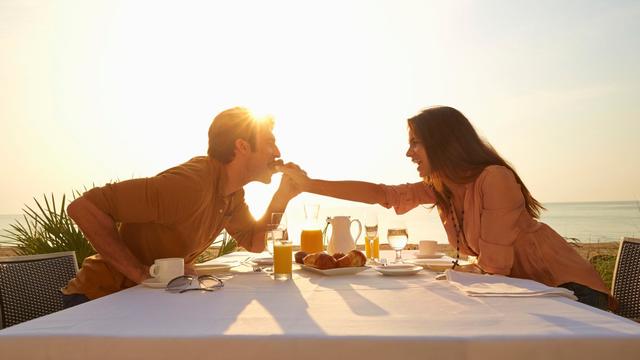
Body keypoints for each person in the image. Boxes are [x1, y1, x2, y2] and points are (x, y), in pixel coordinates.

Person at [279, 106, 610, 310]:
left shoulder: (494, 179)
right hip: (528, 293)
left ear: (442, 143)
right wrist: (309, 185)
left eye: (415, 142)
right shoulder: (443, 188)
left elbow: (493, 269)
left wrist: (450, 275)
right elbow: (383, 194)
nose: (408, 153)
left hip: (571, 294)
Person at [62, 107, 300, 307]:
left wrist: (282, 197)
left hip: (146, 300)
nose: (278, 152)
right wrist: (140, 273)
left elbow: (255, 242)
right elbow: (83, 208)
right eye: (270, 142)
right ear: (242, 146)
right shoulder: (189, 185)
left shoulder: (232, 193)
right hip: (98, 299)